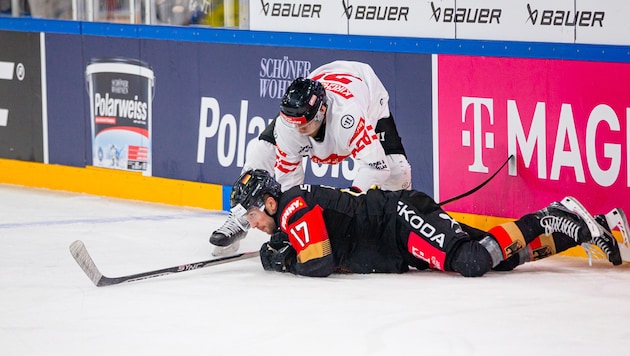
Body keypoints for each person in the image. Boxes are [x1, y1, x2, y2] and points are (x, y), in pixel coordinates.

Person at [229, 169, 623, 277]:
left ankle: (552, 215)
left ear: (267, 201)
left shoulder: (294, 208)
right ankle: (593, 226)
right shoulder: (287, 216)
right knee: (497, 255)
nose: (253, 222)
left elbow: (318, 264)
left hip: (400, 220)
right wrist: (276, 248)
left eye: (252, 215)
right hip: (398, 238)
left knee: (471, 261)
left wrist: (281, 261)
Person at [210, 60, 413, 256]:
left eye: (304, 125)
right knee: (261, 149)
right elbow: (288, 180)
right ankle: (239, 218)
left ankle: (404, 228)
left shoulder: (347, 118)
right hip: (323, 82)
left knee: (399, 172)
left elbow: (375, 167)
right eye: (293, 124)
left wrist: (347, 209)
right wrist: (288, 225)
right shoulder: (290, 125)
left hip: (367, 93)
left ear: (321, 111)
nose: (299, 130)